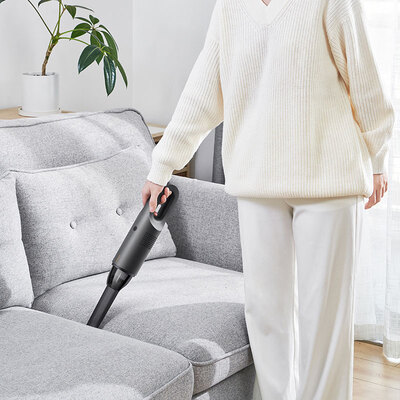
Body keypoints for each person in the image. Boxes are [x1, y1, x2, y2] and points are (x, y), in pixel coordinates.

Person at [141, 0, 395, 398]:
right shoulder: (230, 7)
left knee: (324, 319)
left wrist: (377, 158)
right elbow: (203, 93)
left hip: (329, 181)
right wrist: (162, 165)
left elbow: (365, 81)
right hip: (257, 181)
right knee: (265, 314)